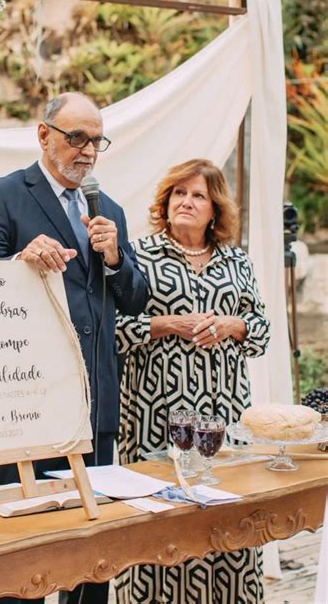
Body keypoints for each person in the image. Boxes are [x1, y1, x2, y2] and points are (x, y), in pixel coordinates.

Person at [0, 91, 148, 604]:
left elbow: (135, 297)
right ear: (44, 135)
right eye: (77, 137)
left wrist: (115, 257)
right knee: (22, 551)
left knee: (93, 553)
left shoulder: (106, 209)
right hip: (27, 404)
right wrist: (21, 258)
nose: (87, 150)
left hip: (95, 403)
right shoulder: (0, 196)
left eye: (96, 140)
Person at [114, 159, 270, 604]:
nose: (186, 201)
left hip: (226, 419)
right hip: (155, 415)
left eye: (198, 194)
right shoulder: (137, 256)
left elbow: (260, 331)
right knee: (159, 524)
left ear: (215, 209)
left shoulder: (237, 261)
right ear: (165, 202)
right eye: (178, 193)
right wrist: (169, 324)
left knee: (230, 523)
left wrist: (230, 325)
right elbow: (113, 332)